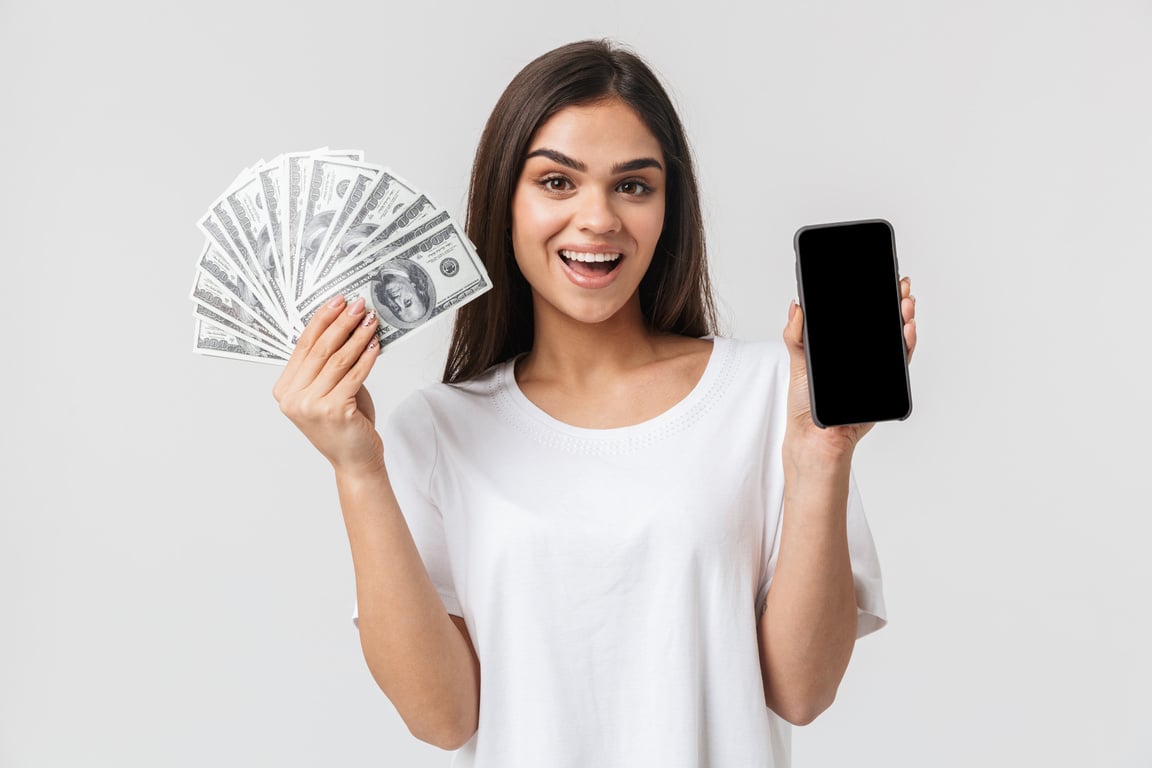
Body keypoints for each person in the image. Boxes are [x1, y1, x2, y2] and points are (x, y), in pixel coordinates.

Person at [273, 39, 918, 768]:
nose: (599, 218)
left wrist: (820, 456)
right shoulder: (437, 429)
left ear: (668, 208)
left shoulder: (771, 392)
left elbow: (802, 692)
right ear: (504, 202)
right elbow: (442, 717)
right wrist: (357, 470)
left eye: (633, 186)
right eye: (557, 182)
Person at [372, 259, 434, 327]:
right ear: (415, 287)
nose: (396, 300)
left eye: (396, 308)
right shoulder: (405, 262)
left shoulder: (375, 275)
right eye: (407, 302)